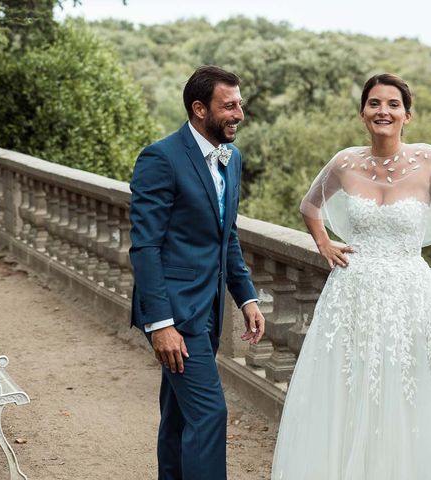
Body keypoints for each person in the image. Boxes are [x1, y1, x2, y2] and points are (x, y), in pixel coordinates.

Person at [271, 73, 431, 480]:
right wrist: (324, 244)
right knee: (346, 392)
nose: (382, 111)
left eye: (392, 104)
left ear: (408, 115)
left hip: (407, 295)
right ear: (362, 113)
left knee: (400, 395)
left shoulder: (427, 161)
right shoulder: (344, 162)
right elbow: (309, 206)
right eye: (374, 103)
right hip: (350, 295)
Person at [129, 65, 265, 480]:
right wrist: (161, 324)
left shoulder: (232, 158)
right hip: (175, 313)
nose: (239, 113)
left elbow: (227, 236)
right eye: (229, 106)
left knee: (177, 417)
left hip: (208, 310)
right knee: (209, 415)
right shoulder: (160, 158)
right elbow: (145, 246)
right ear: (199, 108)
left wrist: (247, 296)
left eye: (240, 104)